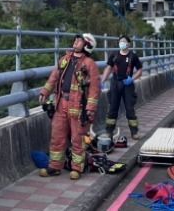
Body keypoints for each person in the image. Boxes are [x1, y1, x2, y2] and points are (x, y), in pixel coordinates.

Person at [37, 33, 102, 180]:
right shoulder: (65, 59)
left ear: (87, 46)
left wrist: (90, 109)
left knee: (78, 137)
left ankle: (77, 168)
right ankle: (55, 166)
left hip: (78, 107)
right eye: (76, 40)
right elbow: (53, 77)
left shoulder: (89, 64)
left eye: (79, 41)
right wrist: (44, 92)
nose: (75, 42)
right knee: (57, 135)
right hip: (61, 104)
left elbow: (94, 89)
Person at [101, 35, 144, 139]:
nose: (122, 43)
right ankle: (109, 131)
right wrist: (103, 80)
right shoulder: (114, 55)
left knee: (130, 108)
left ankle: (134, 132)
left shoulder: (133, 56)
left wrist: (132, 79)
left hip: (127, 84)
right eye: (120, 41)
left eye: (124, 41)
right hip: (115, 83)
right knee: (112, 108)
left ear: (128, 44)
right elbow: (108, 68)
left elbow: (140, 71)